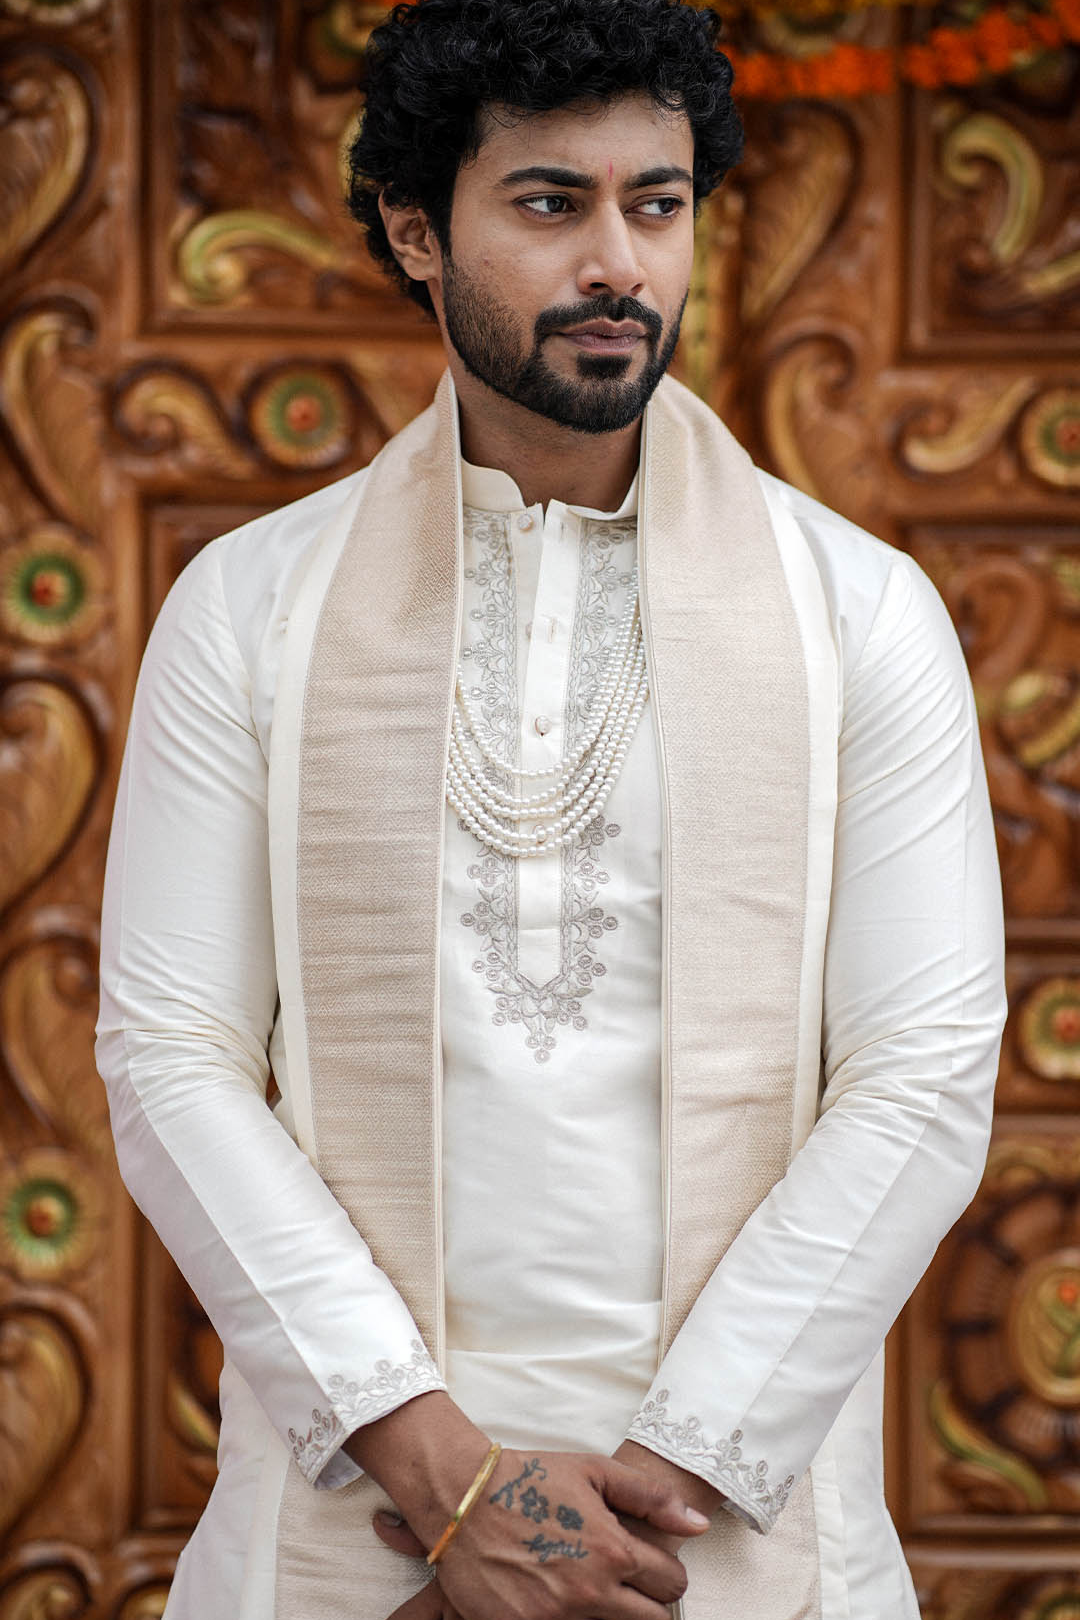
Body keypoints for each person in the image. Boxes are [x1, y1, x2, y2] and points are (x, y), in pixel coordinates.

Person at [95, 1, 1007, 1616]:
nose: (618, 264)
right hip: (357, 1520)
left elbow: (922, 1076)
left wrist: (649, 1496)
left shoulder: (860, 612)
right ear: (415, 228)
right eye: (549, 203)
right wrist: (446, 1478)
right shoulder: (249, 607)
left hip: (729, 1524)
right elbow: (171, 1054)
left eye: (657, 205)